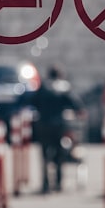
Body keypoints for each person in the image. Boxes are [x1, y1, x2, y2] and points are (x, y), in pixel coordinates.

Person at [33, 65, 77, 194]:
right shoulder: (64, 87)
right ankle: (58, 182)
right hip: (59, 125)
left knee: (44, 154)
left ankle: (45, 183)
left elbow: (33, 102)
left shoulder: (42, 88)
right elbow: (75, 103)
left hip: (43, 124)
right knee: (59, 153)